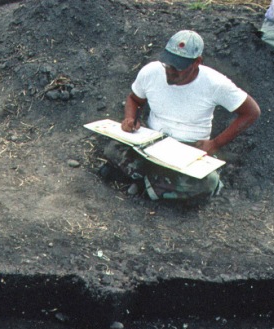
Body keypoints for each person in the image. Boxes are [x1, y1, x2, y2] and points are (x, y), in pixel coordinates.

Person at [101, 29, 260, 202]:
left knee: (208, 182)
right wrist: (130, 118)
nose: (170, 71)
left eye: (178, 67)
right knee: (112, 147)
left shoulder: (215, 83)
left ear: (197, 62)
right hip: (150, 141)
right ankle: (157, 184)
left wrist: (215, 144)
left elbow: (251, 112)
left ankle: (140, 180)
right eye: (168, 65)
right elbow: (134, 99)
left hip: (189, 149)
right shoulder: (151, 71)